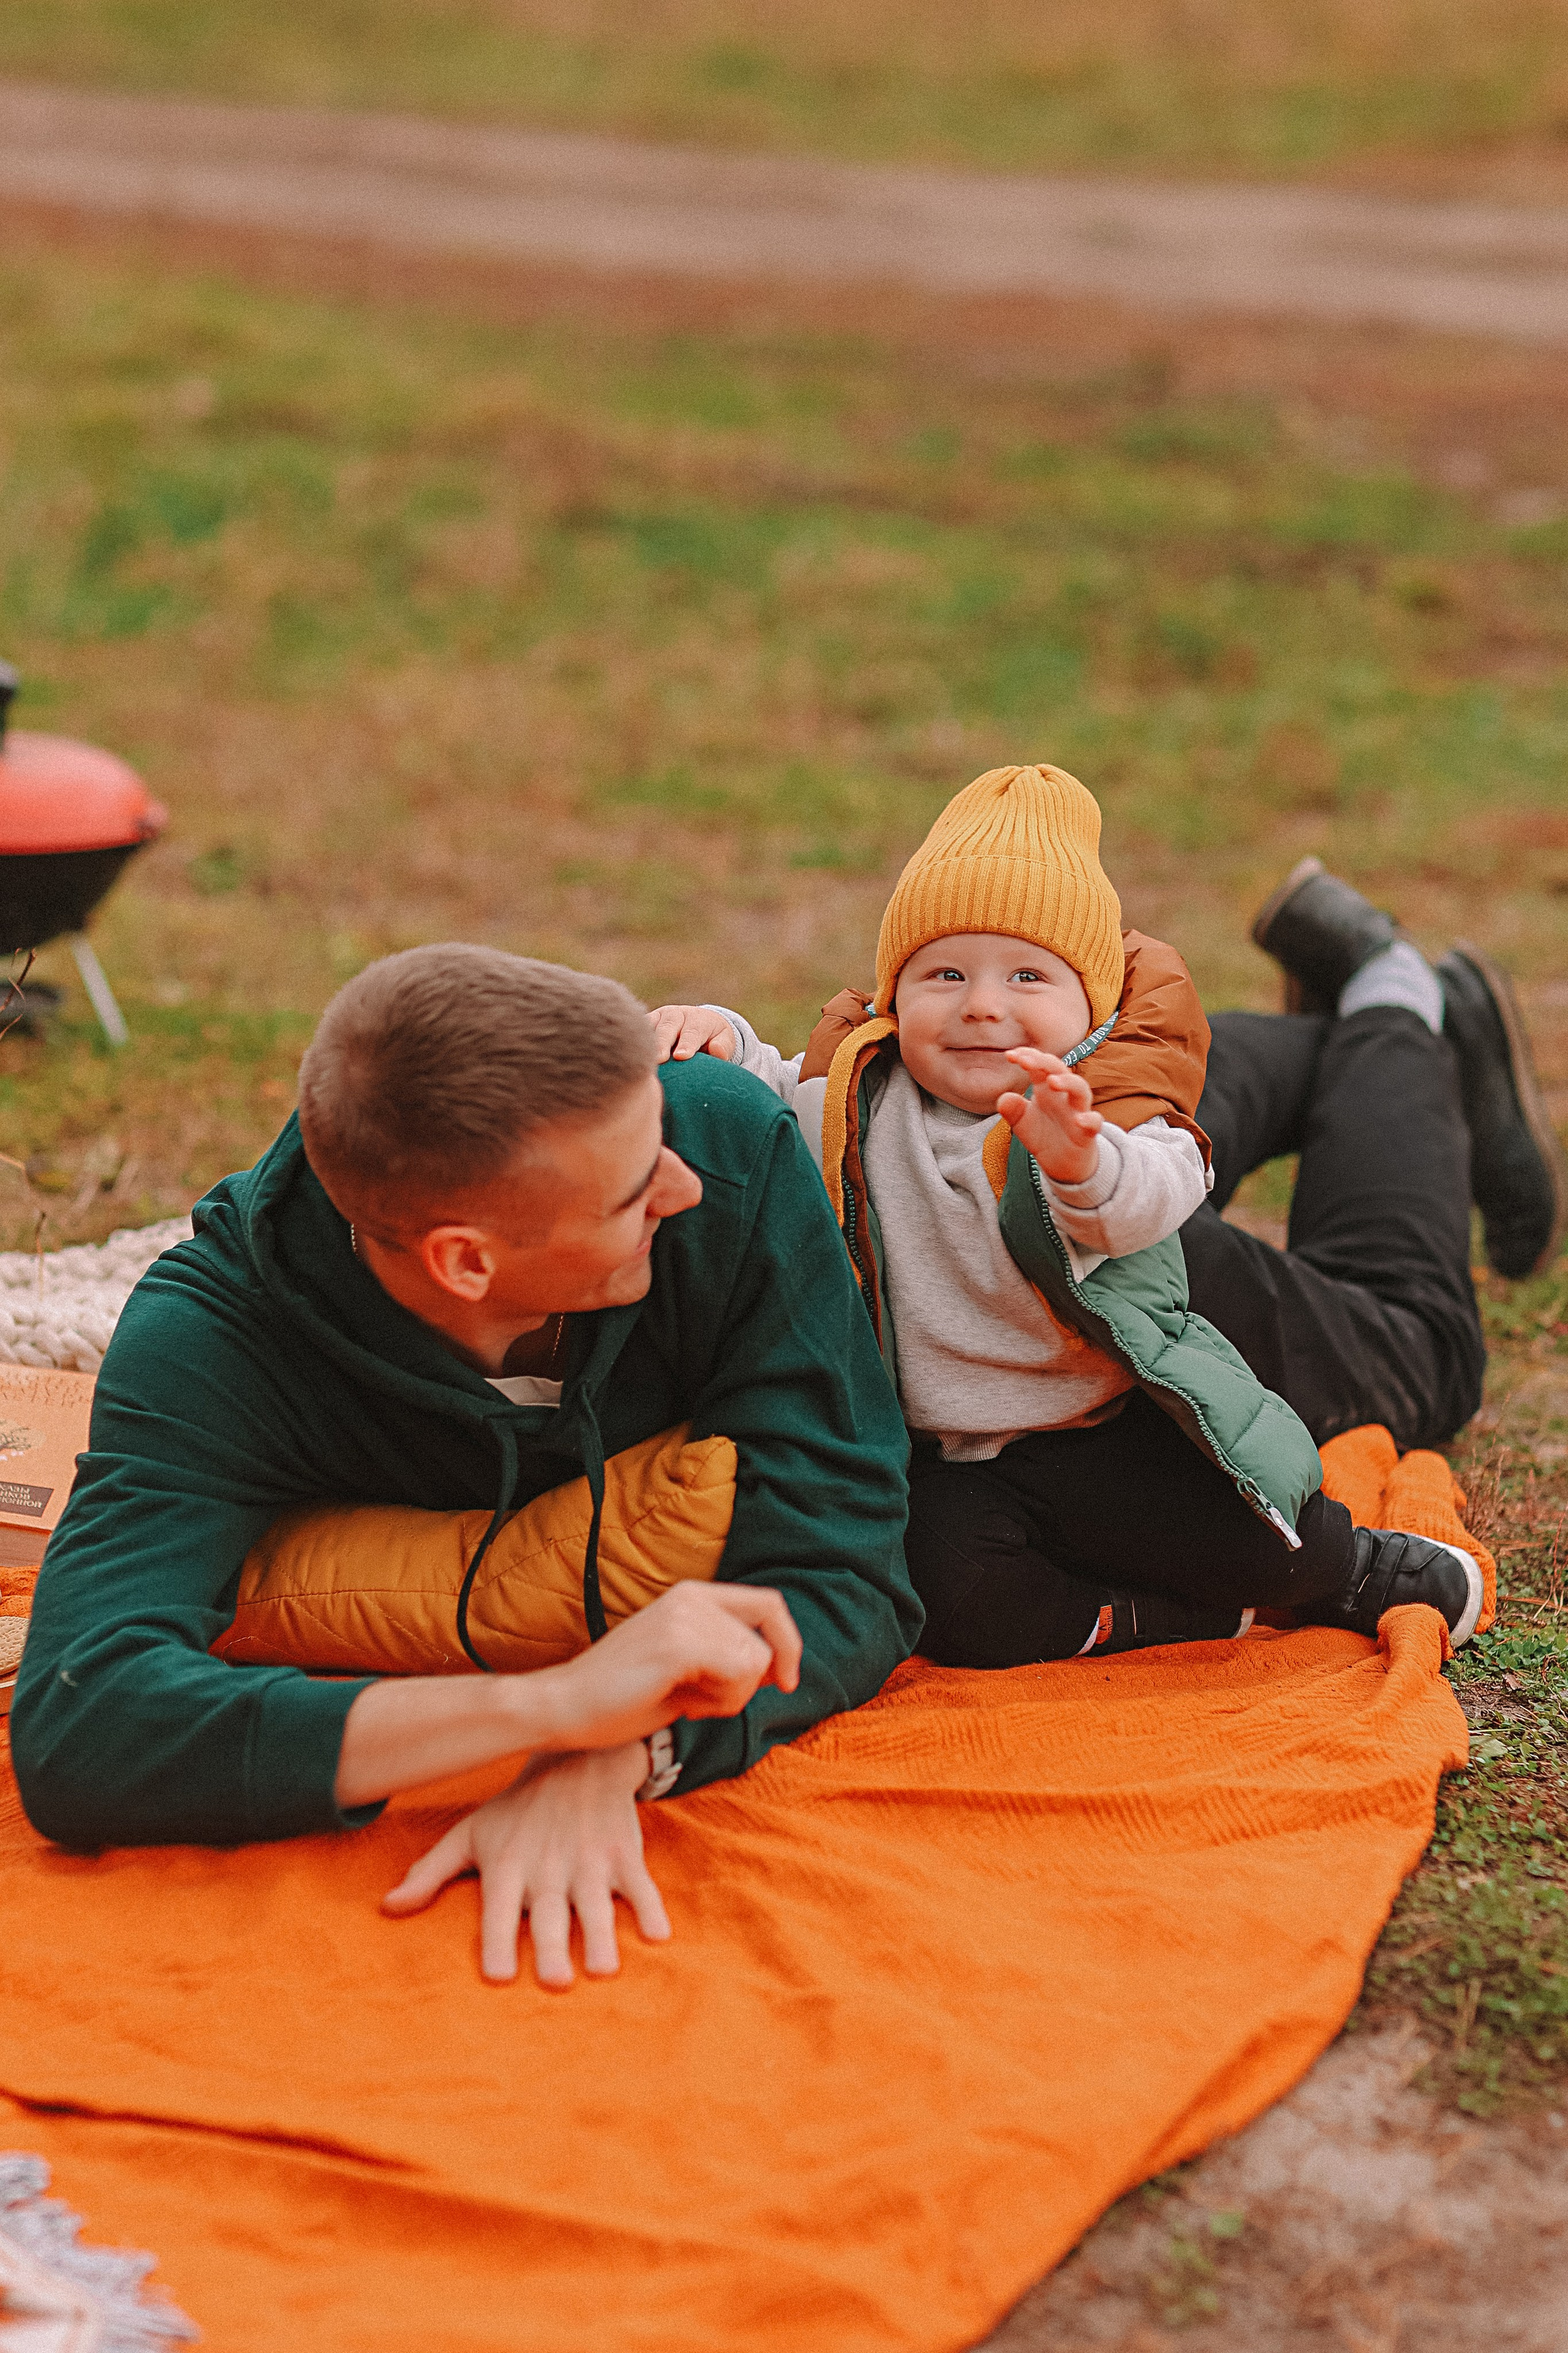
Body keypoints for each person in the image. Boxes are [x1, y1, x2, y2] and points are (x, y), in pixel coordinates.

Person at [11, 948, 918, 1988]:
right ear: (466, 1260)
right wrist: (555, 1707)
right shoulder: (216, 1338)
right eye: (633, 1190)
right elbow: (86, 1720)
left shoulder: (722, 1143)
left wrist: (625, 1752)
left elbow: (850, 1561)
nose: (682, 1183)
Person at [650, 763, 1486, 1671]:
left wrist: (1081, 1160)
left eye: (1025, 975)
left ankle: (1353, 1570)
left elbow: (1157, 1191)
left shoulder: (1100, 1109)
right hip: (959, 1457)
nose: (980, 1001)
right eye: (942, 971)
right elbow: (769, 1094)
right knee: (949, 1591)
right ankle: (1167, 1617)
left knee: (1267, 1534)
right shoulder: (862, 1097)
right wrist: (721, 1033)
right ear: (892, 995)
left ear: (1092, 1010)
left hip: (1102, 1417)